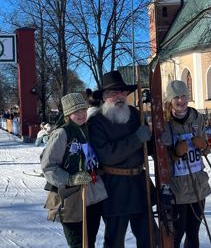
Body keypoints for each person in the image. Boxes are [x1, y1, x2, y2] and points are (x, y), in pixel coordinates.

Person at [87, 70, 153, 248]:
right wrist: (137, 139)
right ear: (104, 96)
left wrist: (160, 140)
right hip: (114, 188)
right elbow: (107, 155)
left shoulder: (134, 114)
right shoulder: (97, 121)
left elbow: (148, 146)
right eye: (114, 93)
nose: (119, 97)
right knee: (115, 241)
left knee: (150, 239)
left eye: (122, 92)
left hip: (139, 185)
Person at [41, 93, 107, 248]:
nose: (81, 114)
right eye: (76, 112)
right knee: (78, 243)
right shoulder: (62, 133)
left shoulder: (88, 129)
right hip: (70, 198)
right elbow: (48, 166)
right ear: (68, 114)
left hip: (92, 195)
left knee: (89, 241)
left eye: (83, 110)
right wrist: (70, 179)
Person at [160, 80, 211, 248]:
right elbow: (160, 157)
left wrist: (203, 145)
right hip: (177, 187)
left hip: (198, 184)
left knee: (193, 230)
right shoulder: (164, 123)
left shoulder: (197, 118)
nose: (181, 101)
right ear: (170, 100)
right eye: (176, 97)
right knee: (177, 232)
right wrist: (175, 154)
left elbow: (205, 148)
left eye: (184, 96)